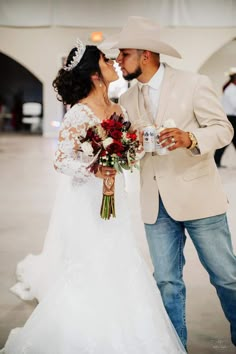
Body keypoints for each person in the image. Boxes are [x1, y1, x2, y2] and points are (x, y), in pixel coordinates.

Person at [1, 40, 186, 354]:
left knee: (121, 259)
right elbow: (61, 160)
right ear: (94, 74)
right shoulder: (78, 113)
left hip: (117, 203)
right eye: (105, 59)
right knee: (91, 265)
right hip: (87, 202)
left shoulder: (119, 109)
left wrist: (140, 144)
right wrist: (93, 168)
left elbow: (131, 152)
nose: (113, 61)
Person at [101, 16, 236, 350]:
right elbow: (134, 153)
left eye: (124, 54)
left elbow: (224, 129)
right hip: (154, 202)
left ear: (146, 55)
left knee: (226, 277)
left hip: (199, 198)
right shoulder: (127, 99)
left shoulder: (194, 83)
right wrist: (119, 154)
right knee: (166, 283)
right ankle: (175, 346)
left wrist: (190, 137)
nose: (119, 60)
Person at [214, 67, 236, 167]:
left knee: (228, 140)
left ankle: (216, 161)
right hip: (232, 118)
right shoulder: (231, 89)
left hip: (231, 117)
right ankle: (216, 161)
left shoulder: (230, 88)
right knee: (227, 140)